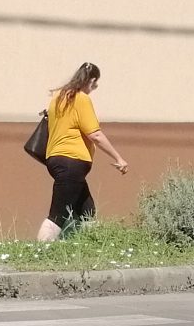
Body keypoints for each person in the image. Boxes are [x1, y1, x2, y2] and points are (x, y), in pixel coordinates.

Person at [37, 60, 127, 242]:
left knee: (87, 210)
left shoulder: (58, 98)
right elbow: (95, 135)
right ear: (91, 80)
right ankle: (40, 250)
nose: (94, 89)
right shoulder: (81, 99)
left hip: (55, 159)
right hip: (72, 161)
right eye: (95, 85)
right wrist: (119, 158)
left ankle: (91, 245)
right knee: (57, 215)